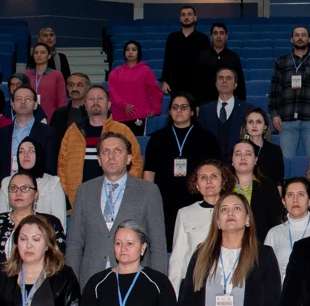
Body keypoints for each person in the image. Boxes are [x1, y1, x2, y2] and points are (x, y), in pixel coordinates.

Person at [64, 132, 169, 276]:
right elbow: (74, 243)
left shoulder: (148, 191)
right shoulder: (84, 191)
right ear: (99, 160)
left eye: (117, 151)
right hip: (91, 278)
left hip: (135, 278)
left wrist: (158, 283)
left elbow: (157, 244)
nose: (111, 156)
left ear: (129, 158)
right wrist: (71, 282)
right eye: (105, 152)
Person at [0, 171, 67, 306]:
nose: (18, 193)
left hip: (42, 300)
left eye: (25, 188)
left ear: (36, 194)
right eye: (13, 188)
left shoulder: (50, 223)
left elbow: (57, 262)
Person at [144, 92, 221, 248]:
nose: (179, 111)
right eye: (175, 107)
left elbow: (217, 172)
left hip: (197, 201)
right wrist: (150, 201)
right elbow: (149, 173)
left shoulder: (206, 139)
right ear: (170, 112)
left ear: (192, 111)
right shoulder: (157, 138)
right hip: (164, 203)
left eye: (184, 107)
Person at [59, 85, 144, 209]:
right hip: (80, 201)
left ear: (109, 104)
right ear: (85, 105)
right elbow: (62, 166)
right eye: (91, 99)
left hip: (115, 200)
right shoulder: (72, 131)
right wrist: (69, 193)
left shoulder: (123, 130)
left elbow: (136, 162)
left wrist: (126, 191)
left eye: (100, 98)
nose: (95, 102)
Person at [0, 85, 57, 213]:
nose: (23, 102)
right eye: (18, 99)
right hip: (6, 194)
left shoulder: (48, 132)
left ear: (35, 105)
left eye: (28, 99)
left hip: (37, 196)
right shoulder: (2, 133)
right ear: (12, 105)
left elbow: (50, 169)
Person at [268, 26, 310, 159]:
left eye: (303, 35)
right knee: (285, 160)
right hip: (287, 119)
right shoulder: (282, 61)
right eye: (297, 35)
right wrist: (274, 114)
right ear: (291, 39)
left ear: (309, 39)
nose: (300, 38)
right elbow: (275, 90)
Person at [167, 160, 231, 289]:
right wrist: (173, 293)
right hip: (193, 282)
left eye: (214, 176)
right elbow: (178, 257)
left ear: (223, 182)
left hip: (226, 280)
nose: (209, 181)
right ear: (196, 185)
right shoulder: (185, 213)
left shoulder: (233, 212)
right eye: (203, 177)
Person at [0, 139, 68, 226]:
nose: (25, 155)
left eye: (31, 151)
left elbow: (60, 223)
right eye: (21, 151)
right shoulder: (7, 182)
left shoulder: (52, 183)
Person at [264, 177, 310, 283]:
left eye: (300, 194)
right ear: (283, 201)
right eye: (290, 195)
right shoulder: (274, 233)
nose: (295, 199)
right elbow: (265, 271)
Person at [231, 139, 285, 241]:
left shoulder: (268, 186)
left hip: (260, 243)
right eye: (238, 154)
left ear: (256, 159)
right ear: (232, 160)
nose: (243, 157)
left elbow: (277, 221)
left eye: (248, 154)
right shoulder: (223, 187)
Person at [108, 40, 164, 137]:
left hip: (138, 115)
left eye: (133, 50)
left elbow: (156, 92)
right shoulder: (116, 72)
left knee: (136, 143)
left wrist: (155, 109)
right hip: (119, 115)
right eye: (127, 50)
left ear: (138, 53)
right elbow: (112, 92)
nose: (130, 52)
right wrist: (123, 105)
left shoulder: (146, 71)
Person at [198, 68, 250, 157]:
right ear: (216, 84)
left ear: (235, 85)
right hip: (211, 160)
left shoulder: (247, 110)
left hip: (237, 160)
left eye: (229, 78)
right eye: (221, 78)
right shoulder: (204, 110)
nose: (224, 81)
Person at [160, 6, 210, 96]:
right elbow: (167, 61)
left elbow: (207, 63)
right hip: (176, 84)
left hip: (197, 85)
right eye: (183, 15)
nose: (186, 17)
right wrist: (165, 81)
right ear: (180, 18)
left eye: (189, 14)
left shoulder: (203, 39)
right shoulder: (172, 38)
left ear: (195, 18)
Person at [193, 22, 245, 107]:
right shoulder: (202, 56)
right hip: (205, 103)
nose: (218, 36)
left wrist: (241, 105)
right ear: (211, 37)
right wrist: (196, 105)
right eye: (215, 33)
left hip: (228, 102)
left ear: (226, 36)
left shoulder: (233, 57)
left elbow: (240, 84)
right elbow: (196, 83)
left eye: (221, 33)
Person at [241, 108, 285, 191]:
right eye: (250, 122)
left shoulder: (275, 150)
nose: (254, 126)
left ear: (265, 126)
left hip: (268, 194)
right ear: (246, 127)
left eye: (258, 122)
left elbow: (278, 181)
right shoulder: (239, 149)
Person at [25, 43, 67, 116]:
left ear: (49, 56)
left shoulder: (57, 75)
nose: (39, 55)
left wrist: (60, 118)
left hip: (50, 116)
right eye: (36, 53)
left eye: (43, 52)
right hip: (29, 115)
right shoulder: (26, 74)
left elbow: (61, 100)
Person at [49, 72, 91, 141]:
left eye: (79, 85)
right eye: (71, 85)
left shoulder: (92, 113)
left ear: (88, 88)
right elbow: (52, 139)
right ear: (67, 88)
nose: (74, 88)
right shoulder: (59, 114)